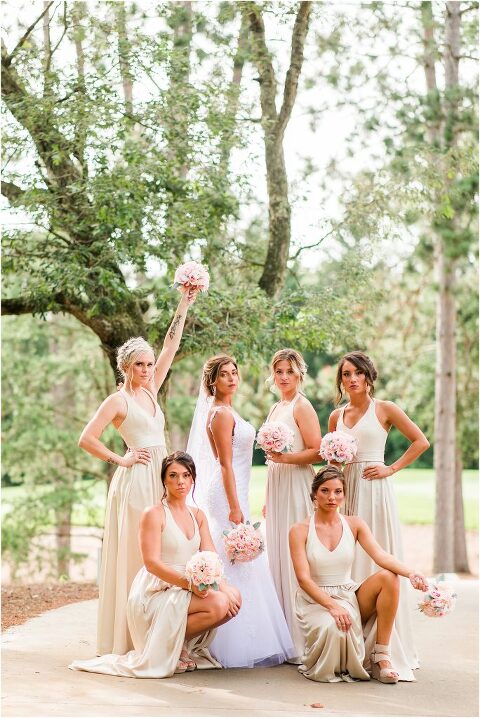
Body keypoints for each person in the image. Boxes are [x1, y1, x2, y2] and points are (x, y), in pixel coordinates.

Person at [78, 289, 198, 655]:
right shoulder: (118, 400)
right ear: (125, 368)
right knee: (137, 554)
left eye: (148, 364)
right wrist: (121, 459)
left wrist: (184, 303)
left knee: (165, 547)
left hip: (161, 476)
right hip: (135, 480)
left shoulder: (151, 390)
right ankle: (131, 638)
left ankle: (162, 630)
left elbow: (170, 346)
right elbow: (87, 439)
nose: (146, 370)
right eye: (139, 366)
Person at [69, 452, 240, 678]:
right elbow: (152, 564)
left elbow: (210, 555)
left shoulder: (198, 515)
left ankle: (178, 644)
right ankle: (172, 648)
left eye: (186, 475)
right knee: (219, 603)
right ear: (164, 480)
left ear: (192, 479)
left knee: (234, 598)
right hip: (158, 589)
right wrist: (190, 585)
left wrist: (224, 586)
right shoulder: (154, 513)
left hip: (188, 585)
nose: (180, 481)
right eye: (173, 476)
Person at [186, 355, 295, 668]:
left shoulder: (228, 409)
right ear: (213, 381)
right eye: (224, 374)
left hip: (237, 491)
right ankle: (228, 641)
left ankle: (250, 636)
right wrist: (235, 507)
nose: (232, 378)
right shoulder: (220, 414)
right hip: (227, 494)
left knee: (242, 559)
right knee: (234, 557)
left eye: (234, 372)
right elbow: (224, 464)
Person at [329, 350, 430, 669]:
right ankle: (352, 643)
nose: (352, 379)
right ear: (341, 380)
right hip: (347, 495)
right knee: (351, 560)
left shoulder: (385, 409)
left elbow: (421, 441)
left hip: (375, 491)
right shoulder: (336, 417)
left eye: (358, 373)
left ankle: (384, 645)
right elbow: (332, 466)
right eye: (346, 374)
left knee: (377, 556)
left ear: (368, 376)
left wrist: (391, 468)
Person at [289, 466, 429, 683]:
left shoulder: (354, 524)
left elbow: (380, 556)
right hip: (315, 600)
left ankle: (381, 656)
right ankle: (339, 662)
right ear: (314, 494)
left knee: (389, 577)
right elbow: (303, 579)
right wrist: (332, 606)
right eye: (325, 491)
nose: (332, 497)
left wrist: (411, 573)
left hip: (348, 596)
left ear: (344, 495)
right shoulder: (299, 530)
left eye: (338, 491)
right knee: (333, 627)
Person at [263, 348, 322, 662]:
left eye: (289, 371)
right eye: (279, 371)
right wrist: (266, 499)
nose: (284, 377)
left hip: (296, 482)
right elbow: (272, 458)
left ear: (299, 374)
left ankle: (303, 637)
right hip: (277, 485)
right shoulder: (276, 407)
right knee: (277, 553)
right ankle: (282, 634)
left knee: (295, 554)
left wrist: (285, 459)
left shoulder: (302, 406)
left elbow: (317, 450)